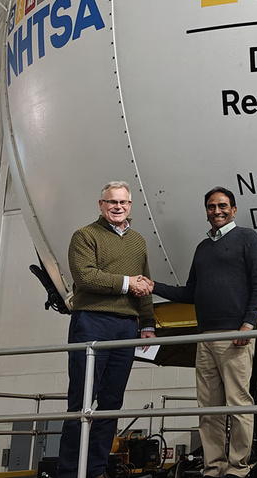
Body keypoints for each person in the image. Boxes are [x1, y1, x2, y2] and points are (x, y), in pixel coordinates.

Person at [139, 187, 257, 478]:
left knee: (238, 404)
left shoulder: (248, 239)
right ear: (206, 212)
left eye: (223, 206)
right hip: (204, 338)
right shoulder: (202, 248)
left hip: (235, 336)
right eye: (211, 206)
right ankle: (214, 467)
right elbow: (191, 292)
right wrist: (154, 286)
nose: (217, 211)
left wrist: (248, 325)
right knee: (208, 408)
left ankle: (238, 468)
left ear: (234, 210)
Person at [58, 181, 156, 478]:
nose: (118, 207)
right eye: (112, 202)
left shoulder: (138, 241)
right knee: (82, 399)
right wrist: (127, 283)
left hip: (126, 326)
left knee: (112, 401)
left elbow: (144, 282)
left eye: (123, 202)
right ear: (101, 205)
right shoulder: (85, 236)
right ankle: (70, 471)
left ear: (130, 206)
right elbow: (86, 278)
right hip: (92, 321)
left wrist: (147, 323)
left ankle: (96, 469)